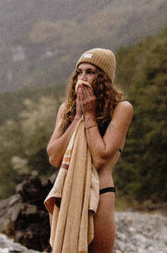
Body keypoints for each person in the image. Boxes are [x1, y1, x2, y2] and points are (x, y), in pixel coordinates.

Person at [46, 48, 133, 253]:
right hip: (66, 193)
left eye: (91, 72)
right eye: (79, 72)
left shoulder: (121, 109)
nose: (82, 78)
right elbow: (54, 156)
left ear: (103, 78)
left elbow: (100, 158)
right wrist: (77, 118)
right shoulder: (66, 109)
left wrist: (90, 115)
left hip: (100, 193)